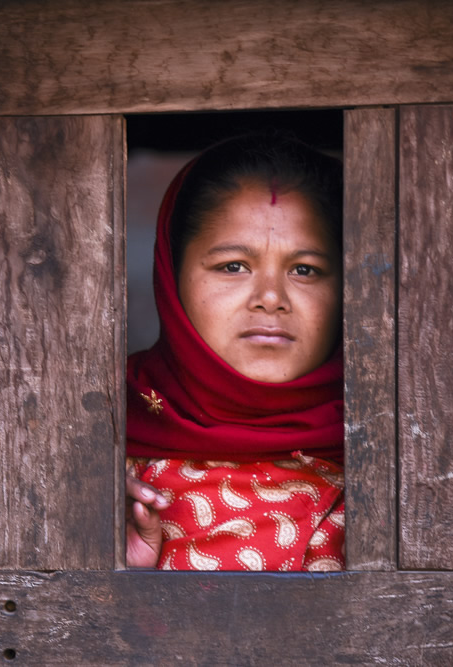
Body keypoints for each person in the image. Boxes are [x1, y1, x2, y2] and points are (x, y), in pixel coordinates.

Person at [125, 133, 346, 571]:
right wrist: (117, 581)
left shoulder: (400, 454)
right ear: (171, 274)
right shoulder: (99, 442)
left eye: (305, 269)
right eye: (233, 266)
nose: (269, 297)